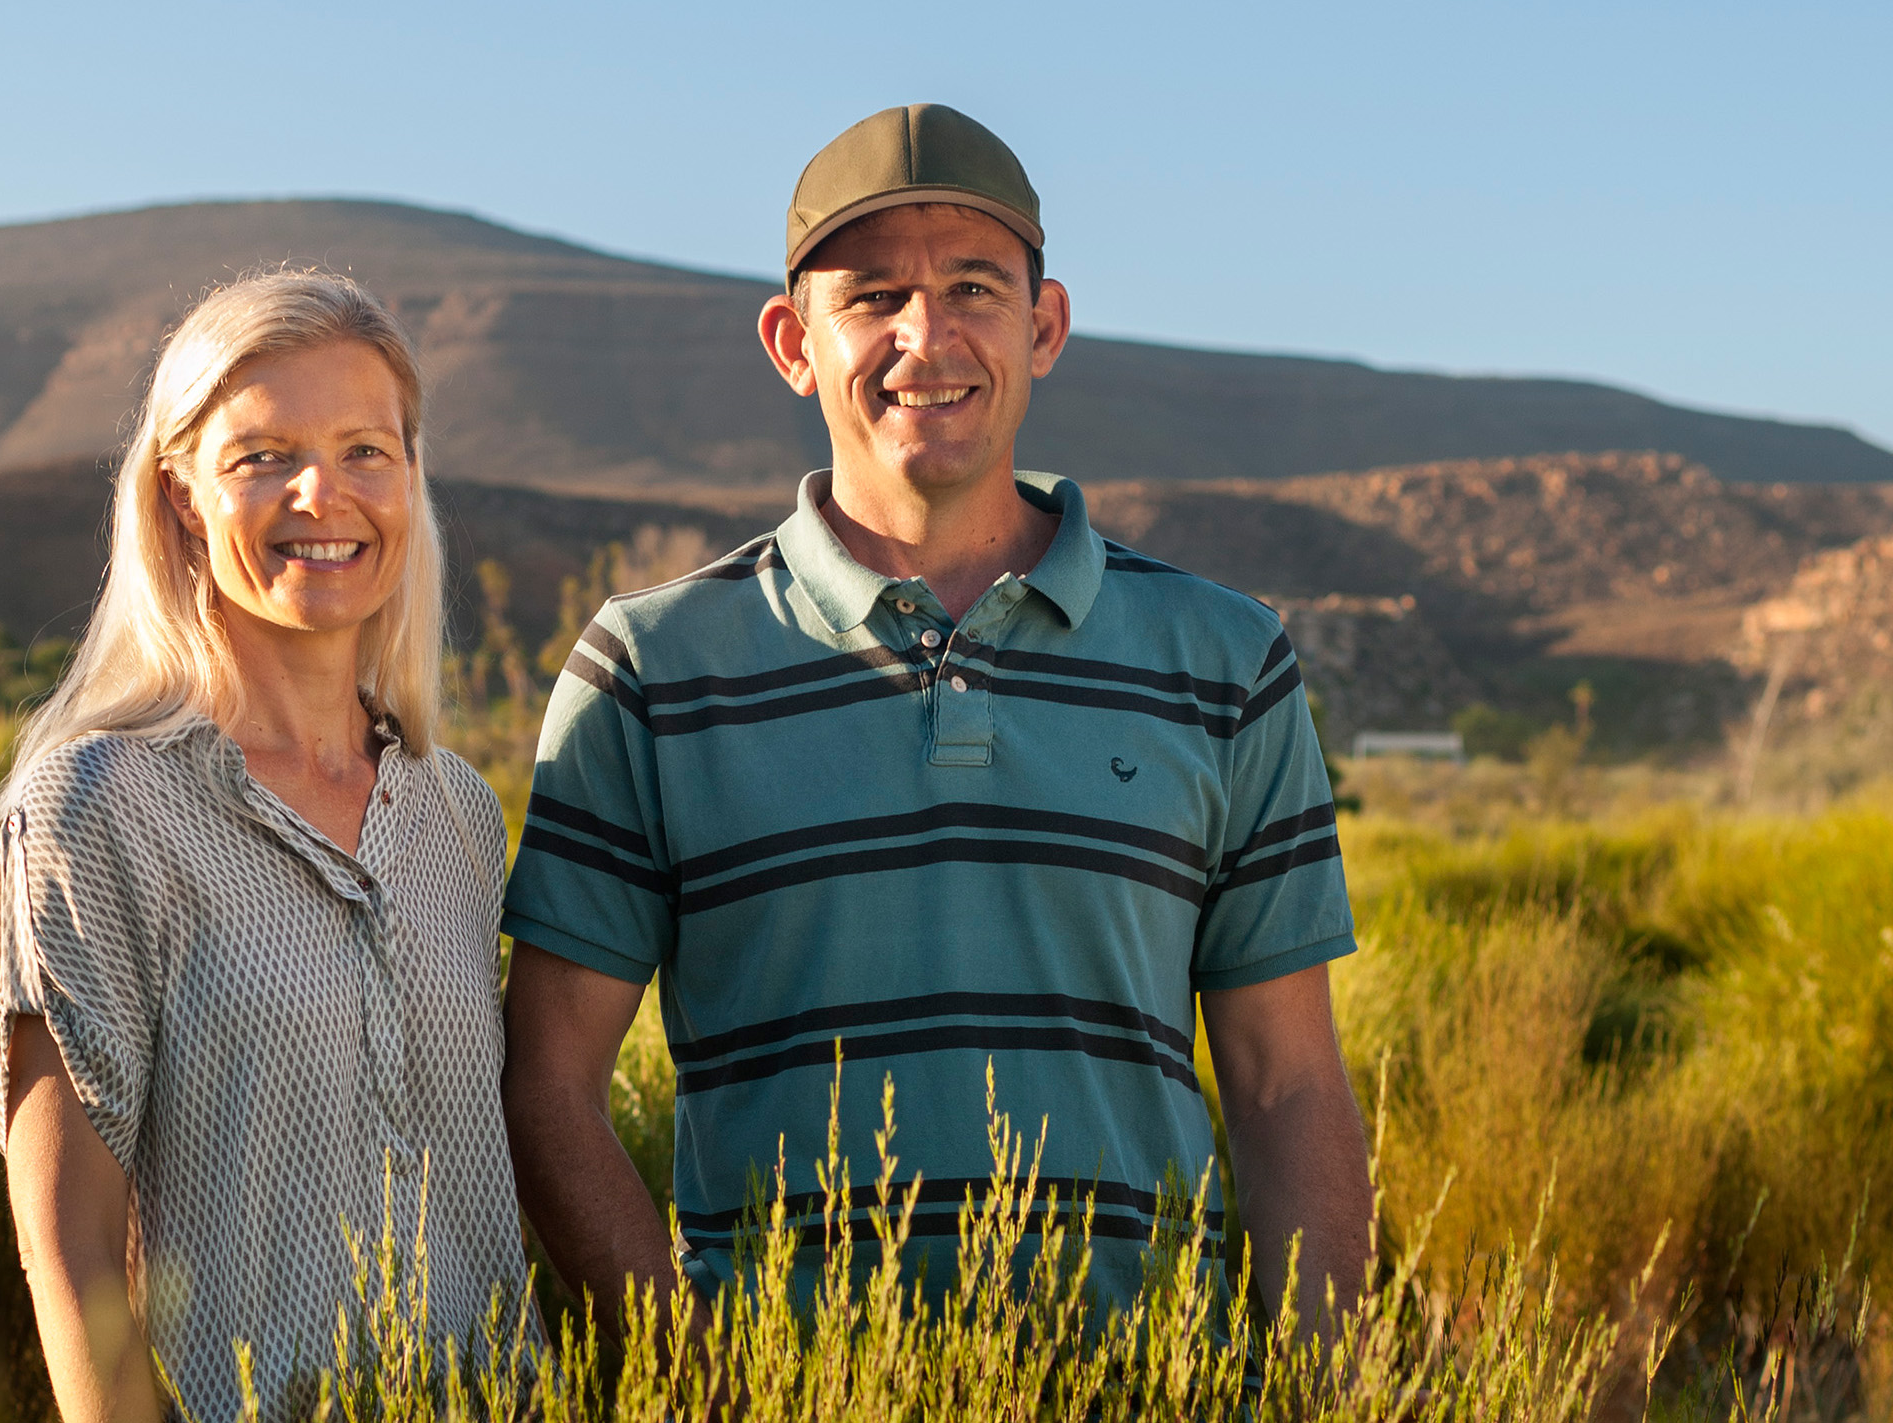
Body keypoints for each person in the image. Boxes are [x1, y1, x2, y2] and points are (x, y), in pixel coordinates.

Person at [500, 104, 1373, 1332]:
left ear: (1045, 325)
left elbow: (1286, 1083)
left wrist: (1327, 1384)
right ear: (791, 343)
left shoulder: (1225, 658)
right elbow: (547, 1088)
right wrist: (688, 1383)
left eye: (973, 285)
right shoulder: (652, 668)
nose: (928, 336)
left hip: (1147, 1382)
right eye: (871, 297)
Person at [0, 270, 529, 1421]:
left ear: (410, 479)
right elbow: (70, 1258)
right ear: (181, 496)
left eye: (365, 450)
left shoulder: (459, 816)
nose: (322, 494)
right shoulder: (94, 811)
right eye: (262, 457)